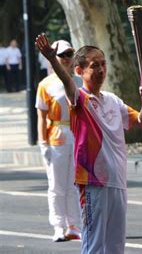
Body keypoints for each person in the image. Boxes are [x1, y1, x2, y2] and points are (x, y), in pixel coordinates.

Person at [35, 33, 142, 254]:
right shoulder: (79, 99)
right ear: (80, 71)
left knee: (116, 244)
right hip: (93, 181)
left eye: (103, 64)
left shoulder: (113, 100)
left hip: (117, 179)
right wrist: (53, 59)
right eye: (94, 66)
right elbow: (67, 82)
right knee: (95, 243)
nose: (101, 70)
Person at [36, 40, 82, 242]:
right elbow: (41, 116)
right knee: (56, 185)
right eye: (61, 55)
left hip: (78, 134)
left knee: (74, 183)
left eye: (69, 54)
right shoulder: (46, 84)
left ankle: (73, 225)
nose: (65, 59)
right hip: (57, 134)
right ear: (54, 57)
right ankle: (58, 226)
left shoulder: (80, 81)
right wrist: (43, 143)